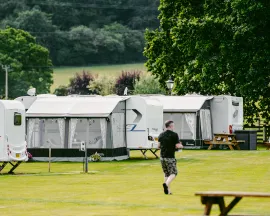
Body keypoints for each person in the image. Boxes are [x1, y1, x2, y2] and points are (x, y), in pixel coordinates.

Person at [158, 120, 183, 195]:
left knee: (166, 173)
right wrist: (181, 146)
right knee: (174, 173)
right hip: (170, 157)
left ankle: (168, 191)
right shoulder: (174, 135)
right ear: (171, 126)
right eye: (173, 125)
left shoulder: (161, 134)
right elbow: (178, 146)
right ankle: (166, 184)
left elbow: (158, 146)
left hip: (162, 156)